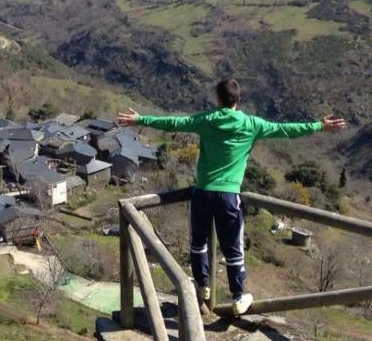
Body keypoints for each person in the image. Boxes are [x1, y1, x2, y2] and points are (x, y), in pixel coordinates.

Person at [117, 79, 346, 316]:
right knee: (233, 249)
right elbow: (287, 129)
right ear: (238, 99)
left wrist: (141, 119)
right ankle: (238, 297)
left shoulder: (206, 120)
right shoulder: (251, 124)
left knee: (198, 243)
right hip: (228, 196)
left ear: (217, 98)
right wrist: (319, 125)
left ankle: (203, 285)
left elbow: (174, 122)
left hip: (202, 193)